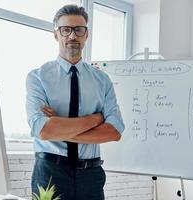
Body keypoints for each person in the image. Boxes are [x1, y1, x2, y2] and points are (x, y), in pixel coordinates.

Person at [26, 4, 125, 200]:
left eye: (79, 30)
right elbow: (43, 130)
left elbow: (114, 132)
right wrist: (95, 119)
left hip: (91, 175)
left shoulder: (102, 80)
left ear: (86, 35)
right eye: (66, 30)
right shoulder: (38, 77)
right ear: (56, 35)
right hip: (50, 173)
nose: (72, 36)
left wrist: (60, 126)